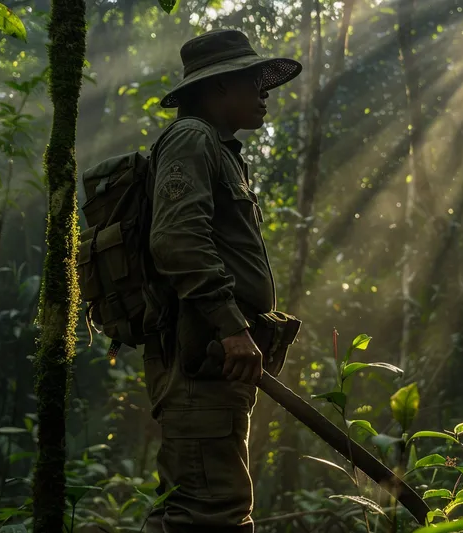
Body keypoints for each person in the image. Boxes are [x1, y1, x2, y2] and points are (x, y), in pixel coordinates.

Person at [140, 29, 302, 532]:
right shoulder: (192, 138)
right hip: (204, 356)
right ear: (216, 90)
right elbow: (176, 240)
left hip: (215, 364)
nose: (264, 92)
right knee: (208, 511)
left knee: (206, 507)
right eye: (251, 80)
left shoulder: (216, 147)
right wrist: (232, 327)